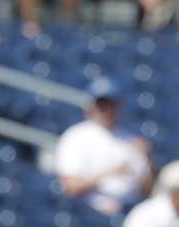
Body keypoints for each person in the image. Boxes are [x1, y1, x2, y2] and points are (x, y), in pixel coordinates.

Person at [54, 77, 152, 216]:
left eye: (111, 105)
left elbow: (146, 191)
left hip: (126, 212)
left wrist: (149, 159)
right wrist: (111, 172)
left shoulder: (132, 142)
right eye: (102, 105)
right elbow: (71, 188)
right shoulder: (76, 136)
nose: (107, 110)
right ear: (91, 107)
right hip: (86, 213)